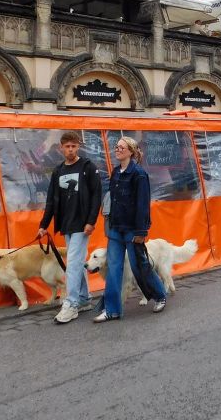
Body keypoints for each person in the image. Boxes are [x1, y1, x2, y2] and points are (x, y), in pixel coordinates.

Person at [94, 136, 167, 322]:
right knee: (114, 269)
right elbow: (113, 200)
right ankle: (112, 309)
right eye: (116, 147)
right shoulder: (116, 172)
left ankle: (160, 295)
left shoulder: (139, 174)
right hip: (116, 228)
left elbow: (143, 204)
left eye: (121, 147)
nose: (117, 150)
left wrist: (141, 232)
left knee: (139, 266)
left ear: (131, 152)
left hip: (133, 229)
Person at [39, 131, 102, 324]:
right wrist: (43, 225)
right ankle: (84, 299)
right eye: (67, 146)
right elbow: (50, 200)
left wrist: (91, 221)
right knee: (76, 262)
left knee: (73, 262)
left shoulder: (87, 167)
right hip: (66, 223)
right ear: (61, 148)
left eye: (74, 146)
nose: (70, 149)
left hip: (82, 225)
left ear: (78, 147)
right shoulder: (58, 171)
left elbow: (96, 195)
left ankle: (72, 303)